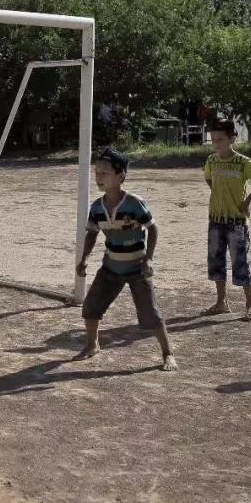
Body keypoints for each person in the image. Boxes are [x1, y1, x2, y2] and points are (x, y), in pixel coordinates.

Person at [75, 147, 177, 370]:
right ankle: (92, 345)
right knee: (91, 307)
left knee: (151, 314)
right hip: (110, 266)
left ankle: (168, 353)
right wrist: (84, 259)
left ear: (121, 176)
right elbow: (92, 233)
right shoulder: (96, 208)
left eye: (104, 173)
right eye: (97, 172)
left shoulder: (134, 203)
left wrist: (148, 259)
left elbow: (153, 228)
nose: (99, 177)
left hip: (137, 267)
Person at [202, 119, 251, 321]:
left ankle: (250, 304)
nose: (216, 142)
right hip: (215, 219)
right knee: (216, 261)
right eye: (213, 139)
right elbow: (208, 178)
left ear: (232, 138)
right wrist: (217, 192)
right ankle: (221, 302)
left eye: (220, 139)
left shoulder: (242, 162)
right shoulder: (211, 161)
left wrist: (247, 202)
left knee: (240, 261)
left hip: (236, 221)